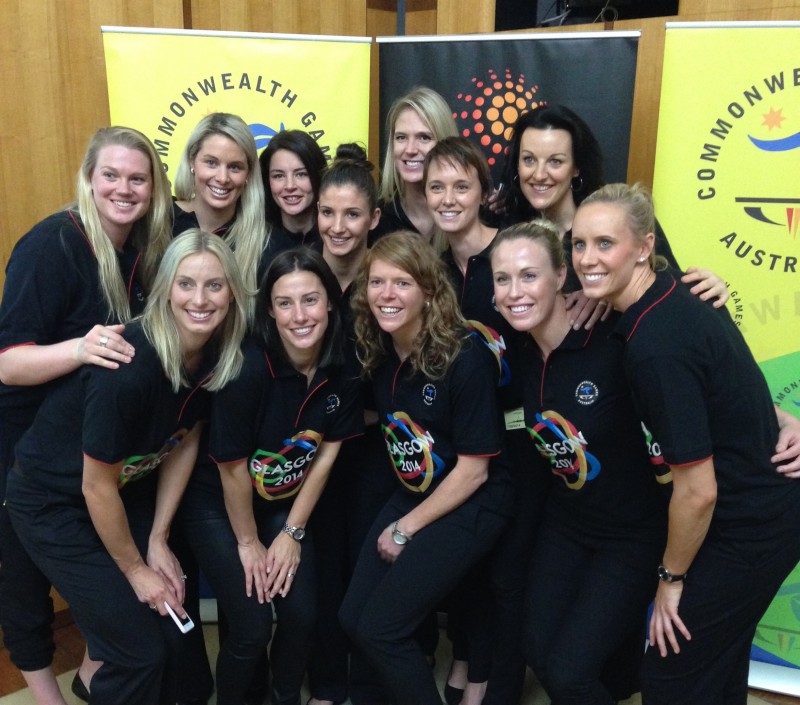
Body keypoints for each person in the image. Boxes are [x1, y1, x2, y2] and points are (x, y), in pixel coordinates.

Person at [571, 183, 800, 704]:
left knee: (671, 675)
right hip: (757, 510)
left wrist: (669, 578)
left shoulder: (655, 347)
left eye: (605, 243)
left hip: (752, 524)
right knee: (716, 666)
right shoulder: (677, 290)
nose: (587, 259)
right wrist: (782, 417)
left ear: (644, 246)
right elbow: (727, 391)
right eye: (579, 244)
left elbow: (698, 492)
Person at [5, 229, 249, 705]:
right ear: (165, 290)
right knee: (139, 652)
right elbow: (95, 488)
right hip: (53, 504)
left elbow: (184, 438)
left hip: (122, 491)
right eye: (186, 284)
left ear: (233, 293)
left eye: (214, 285)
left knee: (175, 636)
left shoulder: (217, 354)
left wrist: (158, 537)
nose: (200, 300)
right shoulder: (132, 368)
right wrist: (136, 570)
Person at [0, 125, 172, 705]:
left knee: (103, 577)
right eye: (111, 175)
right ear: (89, 179)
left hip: (91, 445)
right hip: (22, 444)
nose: (124, 188)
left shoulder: (143, 252)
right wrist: (79, 347)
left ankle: (93, 674)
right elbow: (8, 365)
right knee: (24, 583)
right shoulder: (51, 245)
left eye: (137, 178)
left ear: (154, 188)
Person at [490, 219, 669, 704]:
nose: (514, 291)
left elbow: (693, 386)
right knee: (537, 648)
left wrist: (776, 418)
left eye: (529, 275)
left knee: (571, 673)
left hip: (632, 535)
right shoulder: (519, 352)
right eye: (503, 279)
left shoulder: (614, 339)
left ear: (561, 276)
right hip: (567, 525)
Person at [339, 232, 512, 705]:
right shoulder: (381, 347)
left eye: (402, 283)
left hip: (473, 500)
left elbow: (475, 470)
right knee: (353, 619)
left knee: (382, 630)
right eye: (377, 282)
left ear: (429, 292)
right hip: (417, 491)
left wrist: (405, 529)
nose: (387, 294)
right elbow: (381, 413)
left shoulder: (464, 356)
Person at [202, 247, 362, 705]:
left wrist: (292, 533)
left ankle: (284, 697)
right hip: (220, 503)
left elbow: (325, 455)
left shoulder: (345, 362)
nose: (300, 316)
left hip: (280, 503)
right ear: (270, 311)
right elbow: (232, 469)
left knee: (303, 615)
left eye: (310, 300)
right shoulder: (247, 368)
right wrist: (248, 543)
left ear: (330, 302)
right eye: (285, 303)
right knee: (252, 627)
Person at [423, 136, 544, 705]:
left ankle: (494, 682)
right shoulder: (434, 269)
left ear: (483, 191)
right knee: (467, 565)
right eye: (437, 187)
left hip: (522, 438)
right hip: (462, 441)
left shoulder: (514, 251)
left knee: (507, 573)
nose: (448, 198)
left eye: (461, 186)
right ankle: (468, 659)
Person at [496, 104, 728, 325]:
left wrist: (710, 288)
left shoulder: (622, 217)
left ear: (576, 167)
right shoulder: (508, 233)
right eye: (529, 159)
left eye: (555, 161)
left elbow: (670, 289)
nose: (539, 174)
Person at [306, 144, 396, 705]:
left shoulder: (387, 282)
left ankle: (366, 687)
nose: (337, 227)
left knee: (368, 570)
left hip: (373, 452)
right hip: (309, 454)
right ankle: (325, 684)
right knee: (320, 573)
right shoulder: (299, 273)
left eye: (352, 214)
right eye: (327, 212)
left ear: (374, 218)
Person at [173, 112, 272, 304]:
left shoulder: (267, 244)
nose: (223, 178)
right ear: (192, 161)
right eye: (211, 163)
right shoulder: (160, 222)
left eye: (235, 167)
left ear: (249, 173)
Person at [373, 87, 458, 241]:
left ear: (446, 143)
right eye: (401, 137)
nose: (410, 150)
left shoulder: (471, 215)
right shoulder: (377, 221)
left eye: (424, 137)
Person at [260, 129, 326, 248]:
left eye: (301, 174)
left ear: (317, 175)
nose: (290, 186)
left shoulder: (335, 238)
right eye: (278, 176)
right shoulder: (258, 242)